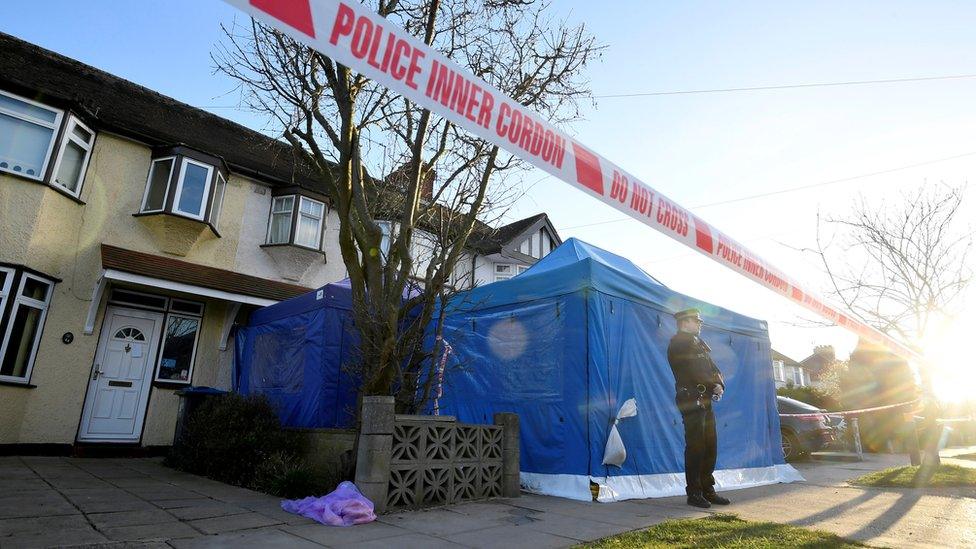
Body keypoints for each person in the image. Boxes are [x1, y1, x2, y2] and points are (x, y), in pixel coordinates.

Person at [667, 308, 731, 508]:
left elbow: (713, 368)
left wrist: (719, 384)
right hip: (691, 398)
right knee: (696, 446)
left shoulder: (697, 344)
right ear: (685, 322)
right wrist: (713, 385)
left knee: (710, 445)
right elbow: (696, 369)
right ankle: (694, 493)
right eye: (697, 321)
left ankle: (707, 489)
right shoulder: (679, 343)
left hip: (704, 398)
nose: (700, 324)